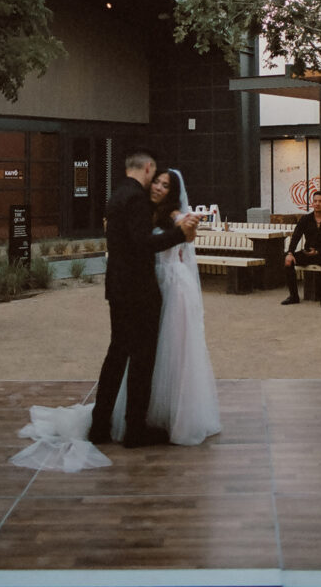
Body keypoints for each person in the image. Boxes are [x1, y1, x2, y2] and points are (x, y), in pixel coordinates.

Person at [88, 150, 200, 448]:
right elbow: (143, 243)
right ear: (148, 168)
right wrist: (180, 236)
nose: (156, 185)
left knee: (116, 355)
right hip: (138, 291)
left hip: (117, 287)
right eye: (155, 177)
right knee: (141, 361)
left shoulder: (117, 195)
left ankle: (99, 424)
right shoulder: (136, 198)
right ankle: (135, 429)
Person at [110, 168, 221, 446]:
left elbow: (188, 237)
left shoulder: (175, 216)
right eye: (157, 182)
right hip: (150, 282)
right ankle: (145, 414)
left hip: (173, 283)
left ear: (173, 192)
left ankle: (173, 415)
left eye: (165, 185)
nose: (158, 188)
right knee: (150, 351)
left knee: (174, 348)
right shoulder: (145, 211)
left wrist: (188, 223)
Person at [281, 189, 321, 308]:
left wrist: (318, 251)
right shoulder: (305, 219)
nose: (317, 203)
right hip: (308, 253)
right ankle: (294, 296)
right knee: (288, 261)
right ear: (312, 203)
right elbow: (296, 236)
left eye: (320, 201)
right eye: (315, 201)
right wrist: (290, 252)